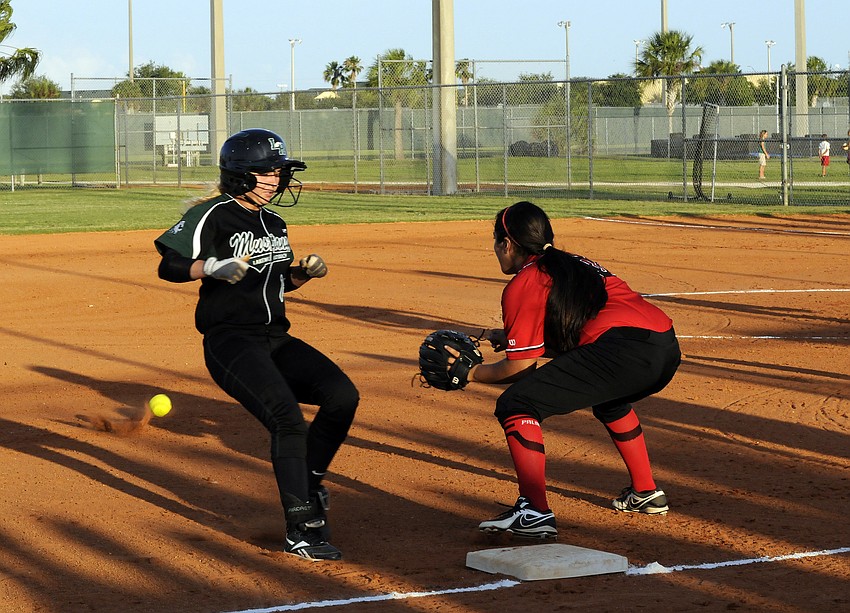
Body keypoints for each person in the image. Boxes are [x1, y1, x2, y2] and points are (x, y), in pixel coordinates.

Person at [154, 128, 359, 560]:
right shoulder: (213, 214)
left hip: (274, 338)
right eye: (268, 171)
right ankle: (301, 527)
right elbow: (168, 264)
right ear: (241, 175)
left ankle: (309, 480)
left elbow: (276, 281)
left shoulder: (275, 223)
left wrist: (302, 274)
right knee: (287, 419)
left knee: (342, 395)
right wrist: (209, 266)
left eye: (279, 172)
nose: (277, 179)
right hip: (230, 342)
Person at [465, 201, 681, 538]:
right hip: (664, 346)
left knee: (516, 403)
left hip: (623, 351)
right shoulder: (572, 263)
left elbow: (521, 367)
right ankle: (646, 494)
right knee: (610, 399)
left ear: (507, 243)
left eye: (496, 243)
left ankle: (534, 511)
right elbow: (575, 333)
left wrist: (472, 374)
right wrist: (511, 338)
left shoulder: (525, 282)